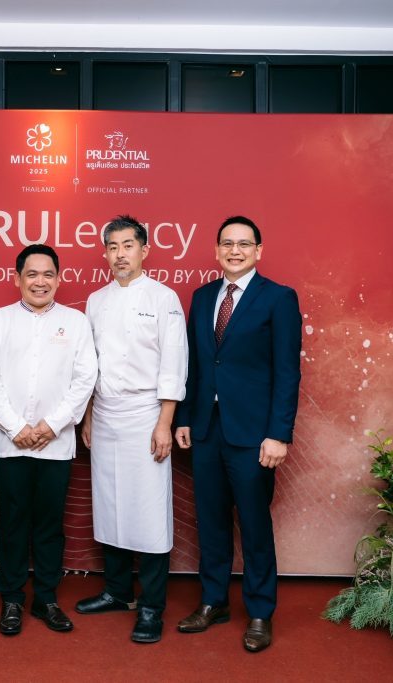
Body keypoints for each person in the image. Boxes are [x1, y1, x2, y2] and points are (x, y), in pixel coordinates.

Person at [173, 216, 302, 653]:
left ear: (259, 251)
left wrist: (278, 434)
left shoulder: (279, 298)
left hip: (254, 435)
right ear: (216, 250)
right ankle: (213, 602)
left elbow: (287, 372)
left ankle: (261, 611)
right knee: (210, 521)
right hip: (206, 430)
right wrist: (184, 418)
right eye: (227, 243)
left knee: (254, 524)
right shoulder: (202, 297)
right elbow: (195, 365)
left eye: (244, 244)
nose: (235, 251)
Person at [76, 215, 188, 644]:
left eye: (128, 246)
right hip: (105, 413)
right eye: (113, 247)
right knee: (110, 505)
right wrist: (89, 415)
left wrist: (164, 423)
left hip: (146, 414)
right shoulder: (95, 300)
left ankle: (152, 606)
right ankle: (118, 591)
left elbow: (174, 363)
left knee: (148, 510)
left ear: (144, 250)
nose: (120, 254)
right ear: (105, 253)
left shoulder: (163, 298)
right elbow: (89, 365)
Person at [0, 244, 98, 636]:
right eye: (32, 274)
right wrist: (16, 428)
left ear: (58, 280)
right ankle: (12, 598)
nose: (40, 282)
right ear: (18, 279)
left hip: (56, 444)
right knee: (13, 521)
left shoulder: (76, 322)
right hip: (11, 443)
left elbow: (85, 378)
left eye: (48, 274)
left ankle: (46, 598)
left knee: (49, 524)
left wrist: (52, 425)